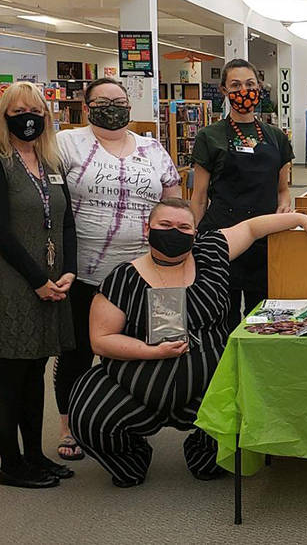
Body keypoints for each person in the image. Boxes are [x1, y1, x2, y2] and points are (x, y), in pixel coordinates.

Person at [68, 198, 307, 487]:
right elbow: (101, 340)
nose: (174, 232)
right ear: (147, 230)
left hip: (210, 387)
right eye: (165, 225)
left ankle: (202, 452)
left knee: (244, 413)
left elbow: (252, 228)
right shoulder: (123, 278)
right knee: (88, 416)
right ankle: (132, 458)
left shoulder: (210, 252)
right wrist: (151, 351)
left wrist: (299, 219)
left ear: (195, 234)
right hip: (134, 383)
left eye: (184, 227)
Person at [54, 78, 181, 461]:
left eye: (120, 101)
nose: (113, 107)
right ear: (86, 105)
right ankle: (69, 426)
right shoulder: (67, 144)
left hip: (150, 270)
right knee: (77, 350)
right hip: (85, 273)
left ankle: (140, 417)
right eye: (103, 101)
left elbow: (173, 203)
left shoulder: (152, 147)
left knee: (161, 343)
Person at [0, 82, 77, 488]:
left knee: (36, 371)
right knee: (11, 373)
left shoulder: (52, 162)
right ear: (4, 116)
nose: (28, 117)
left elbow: (66, 221)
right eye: (18, 111)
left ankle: (34, 456)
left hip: (52, 281)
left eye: (35, 110)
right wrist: (37, 281)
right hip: (15, 282)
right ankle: (10, 465)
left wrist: (66, 272)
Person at [191, 59, 294, 329]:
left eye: (250, 84)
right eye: (235, 85)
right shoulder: (208, 136)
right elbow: (199, 195)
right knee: (221, 314)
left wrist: (284, 205)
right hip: (222, 237)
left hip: (264, 237)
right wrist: (193, 236)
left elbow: (283, 189)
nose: (243, 91)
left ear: (259, 88)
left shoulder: (276, 137)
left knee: (262, 313)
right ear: (224, 91)